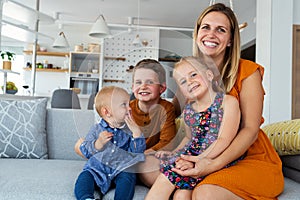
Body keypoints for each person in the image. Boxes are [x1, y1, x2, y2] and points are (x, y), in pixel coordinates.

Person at [169, 3, 284, 200]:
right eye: (206, 27)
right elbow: (171, 111)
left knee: (204, 193)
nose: (211, 34)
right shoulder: (190, 75)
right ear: (197, 34)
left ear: (230, 40)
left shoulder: (248, 72)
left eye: (220, 30)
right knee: (153, 172)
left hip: (248, 157)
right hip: (204, 153)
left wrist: (212, 164)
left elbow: (250, 129)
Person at [145, 56, 241, 200]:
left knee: (166, 177)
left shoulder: (227, 102)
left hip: (214, 159)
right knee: (181, 195)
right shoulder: (189, 109)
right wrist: (175, 153)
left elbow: (224, 140)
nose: (189, 82)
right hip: (191, 157)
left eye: (194, 74)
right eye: (183, 81)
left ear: (209, 75)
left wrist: (196, 160)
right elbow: (189, 138)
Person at [74, 86, 146, 200]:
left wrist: (136, 133)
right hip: (97, 170)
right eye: (124, 105)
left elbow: (136, 154)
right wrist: (98, 143)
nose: (129, 108)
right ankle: (86, 198)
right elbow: (85, 151)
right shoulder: (97, 129)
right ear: (107, 112)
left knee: (129, 176)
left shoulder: (129, 131)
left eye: (129, 104)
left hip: (120, 170)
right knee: (84, 178)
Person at [130, 58, 177, 186]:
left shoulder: (167, 108)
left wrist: (143, 154)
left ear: (162, 88)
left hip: (151, 157)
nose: (143, 86)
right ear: (132, 87)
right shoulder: (126, 109)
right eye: (138, 82)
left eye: (150, 82)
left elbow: (167, 142)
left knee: (149, 165)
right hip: (128, 157)